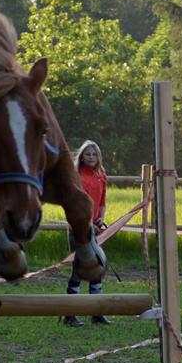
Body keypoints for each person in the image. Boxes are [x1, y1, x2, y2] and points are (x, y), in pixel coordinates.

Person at [62, 140, 110, 327]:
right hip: (79, 229)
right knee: (79, 269)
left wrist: (100, 219)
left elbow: (103, 201)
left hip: (96, 230)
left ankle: (96, 312)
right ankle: (70, 313)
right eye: (87, 154)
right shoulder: (77, 176)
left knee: (96, 268)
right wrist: (87, 222)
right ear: (81, 156)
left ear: (98, 157)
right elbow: (77, 203)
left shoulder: (101, 175)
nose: (91, 157)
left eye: (94, 154)